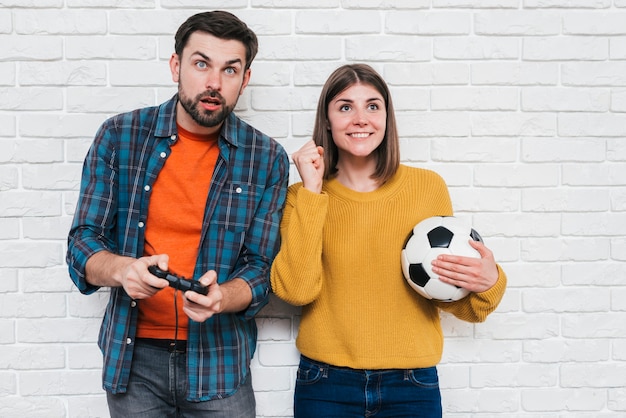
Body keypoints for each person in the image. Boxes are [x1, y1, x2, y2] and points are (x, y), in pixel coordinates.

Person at [66, 10, 289, 417]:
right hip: (133, 363)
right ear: (176, 66)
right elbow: (82, 242)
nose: (214, 83)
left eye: (230, 70)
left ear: (245, 79)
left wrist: (223, 297)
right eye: (201, 64)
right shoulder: (120, 136)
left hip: (220, 362)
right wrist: (122, 270)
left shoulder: (267, 157)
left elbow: (260, 267)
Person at [270, 63, 507, 417]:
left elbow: (449, 294)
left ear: (387, 117)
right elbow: (297, 290)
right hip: (325, 384)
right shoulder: (302, 197)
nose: (360, 118)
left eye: (373, 106)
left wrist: (490, 282)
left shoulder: (427, 188)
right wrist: (313, 192)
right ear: (328, 120)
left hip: (412, 385)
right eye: (345, 107)